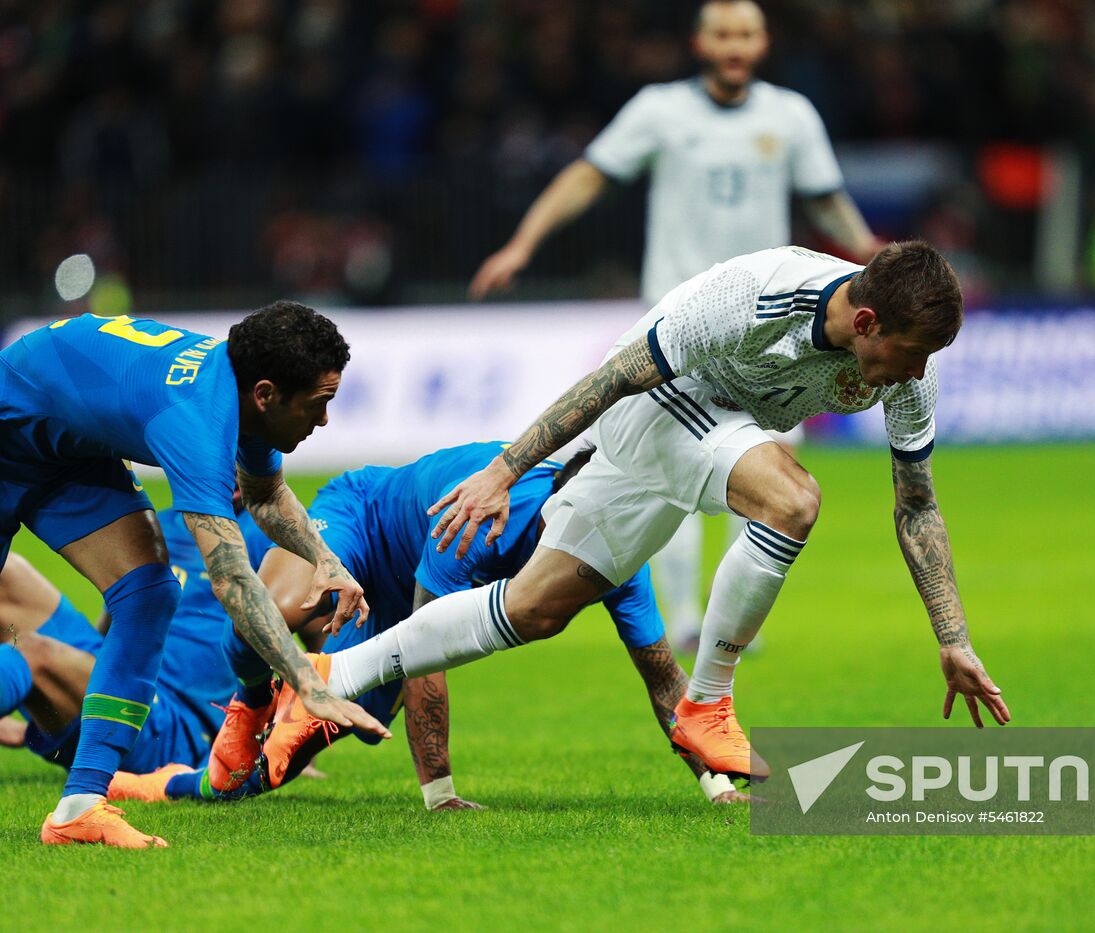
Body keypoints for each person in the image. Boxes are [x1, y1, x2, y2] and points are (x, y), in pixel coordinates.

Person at [317, 241, 1011, 787]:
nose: (917, 372)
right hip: (651, 404)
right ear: (866, 322)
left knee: (533, 610)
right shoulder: (755, 297)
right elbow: (613, 378)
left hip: (709, 435)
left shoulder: (913, 369)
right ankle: (707, 704)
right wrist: (505, 471)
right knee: (793, 499)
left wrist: (952, 638)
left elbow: (917, 506)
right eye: (912, 354)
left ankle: (331, 676)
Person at [470, 0, 882, 648]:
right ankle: (685, 615)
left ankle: (730, 618)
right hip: (681, 322)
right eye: (723, 34)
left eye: (746, 34)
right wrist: (523, 244)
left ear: (762, 43)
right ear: (700, 44)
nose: (734, 45)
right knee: (677, 471)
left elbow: (826, 198)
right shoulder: (659, 110)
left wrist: (875, 261)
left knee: (773, 466)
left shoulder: (791, 115)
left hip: (773, 327)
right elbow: (589, 176)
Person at [135, 442, 750, 808]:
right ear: (554, 515)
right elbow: (426, 645)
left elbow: (664, 679)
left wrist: (718, 787)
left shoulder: (617, 560)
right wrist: (440, 793)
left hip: (404, 599)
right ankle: (252, 698)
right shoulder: (480, 517)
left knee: (269, 770)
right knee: (278, 610)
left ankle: (162, 786)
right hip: (362, 518)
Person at [0, 302, 385, 848]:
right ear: (267, 395)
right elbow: (232, 581)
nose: (324, 420)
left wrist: (326, 559)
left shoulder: (243, 396)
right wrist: (306, 682)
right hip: (10, 425)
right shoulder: (199, 423)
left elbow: (267, 495)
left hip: (61, 451)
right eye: (318, 403)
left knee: (149, 593)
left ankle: (79, 808)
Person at [0, 506, 272, 789]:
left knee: (33, 653)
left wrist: (282, 740)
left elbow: (298, 622)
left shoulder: (265, 533)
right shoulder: (159, 522)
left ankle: (26, 677)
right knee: (8, 571)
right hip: (118, 667)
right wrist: (70, 678)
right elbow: (122, 607)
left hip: (171, 727)